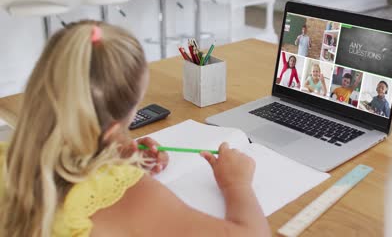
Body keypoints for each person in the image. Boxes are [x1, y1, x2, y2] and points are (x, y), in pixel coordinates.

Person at [0, 21, 270, 237]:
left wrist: (106, 157)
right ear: (114, 127)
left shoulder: (6, 158)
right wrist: (236, 183)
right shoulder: (125, 196)